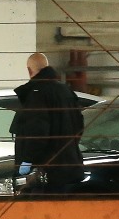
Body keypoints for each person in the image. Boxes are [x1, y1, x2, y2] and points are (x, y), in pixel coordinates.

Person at [10, 52, 85, 196]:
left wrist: (28, 161)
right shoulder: (66, 91)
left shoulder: (37, 94)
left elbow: (37, 133)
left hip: (46, 174)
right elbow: (79, 126)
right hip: (68, 169)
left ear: (29, 70)